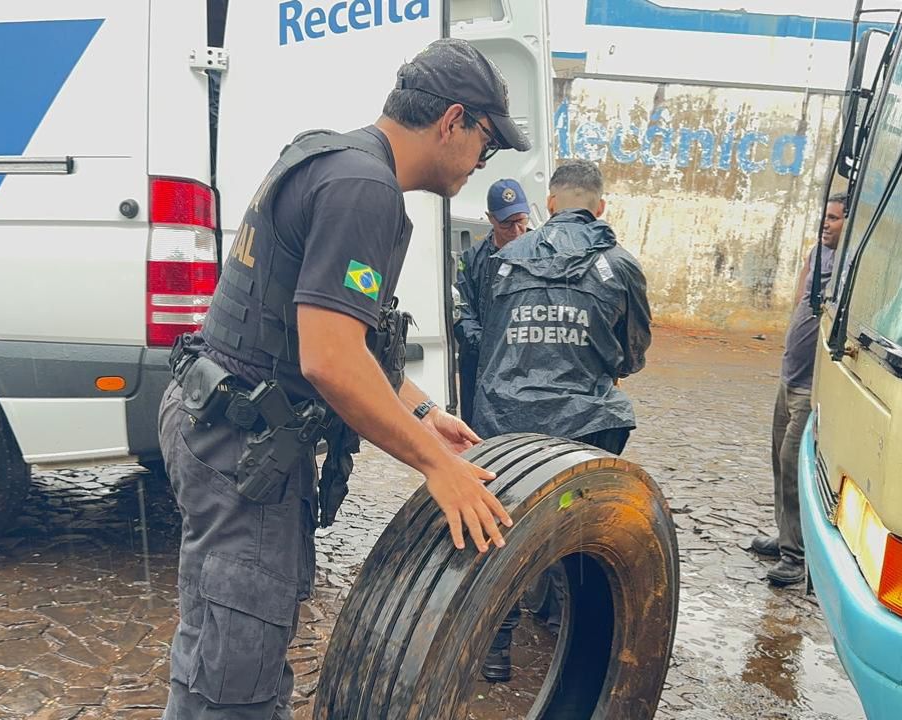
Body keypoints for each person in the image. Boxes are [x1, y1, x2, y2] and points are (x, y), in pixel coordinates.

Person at [157, 38, 529, 719]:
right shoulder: (365, 189)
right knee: (234, 682)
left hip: (215, 418)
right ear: (452, 120)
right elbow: (326, 360)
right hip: (244, 450)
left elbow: (342, 337)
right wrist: (433, 468)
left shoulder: (329, 155)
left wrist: (420, 412)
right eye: (486, 141)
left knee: (219, 642)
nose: (484, 162)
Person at [470, 159, 651, 681]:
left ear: (549, 204)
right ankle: (565, 626)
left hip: (508, 422)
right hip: (586, 429)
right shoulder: (621, 266)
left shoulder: (506, 260)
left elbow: (493, 345)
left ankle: (496, 649)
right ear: (600, 207)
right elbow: (631, 357)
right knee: (577, 521)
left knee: (501, 525)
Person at [752, 193, 848, 587]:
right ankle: (785, 536)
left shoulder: (851, 267)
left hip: (812, 385)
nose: (826, 224)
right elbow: (800, 296)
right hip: (790, 375)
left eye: (835, 219)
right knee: (778, 458)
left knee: (794, 465)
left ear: (851, 223)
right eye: (824, 217)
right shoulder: (818, 253)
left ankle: (796, 557)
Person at [454, 178, 531, 427]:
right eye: (507, 223)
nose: (516, 231)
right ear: (490, 218)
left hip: (526, 360)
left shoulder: (542, 253)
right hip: (479, 362)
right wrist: (487, 345)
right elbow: (461, 310)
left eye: (521, 220)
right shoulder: (472, 259)